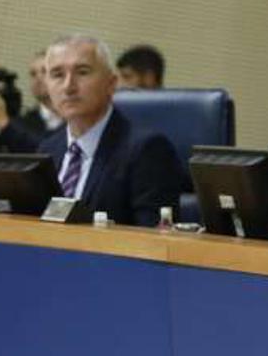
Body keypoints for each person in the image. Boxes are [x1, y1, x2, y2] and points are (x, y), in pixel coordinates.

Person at [39, 34, 187, 226]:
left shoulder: (146, 150)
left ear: (111, 83)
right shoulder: (47, 150)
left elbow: (153, 237)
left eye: (82, 72)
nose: (68, 87)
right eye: (58, 75)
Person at [0, 49, 62, 153]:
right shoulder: (21, 123)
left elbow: (48, 150)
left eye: (44, 71)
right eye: (33, 74)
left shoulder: (76, 118)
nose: (38, 78)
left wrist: (3, 123)